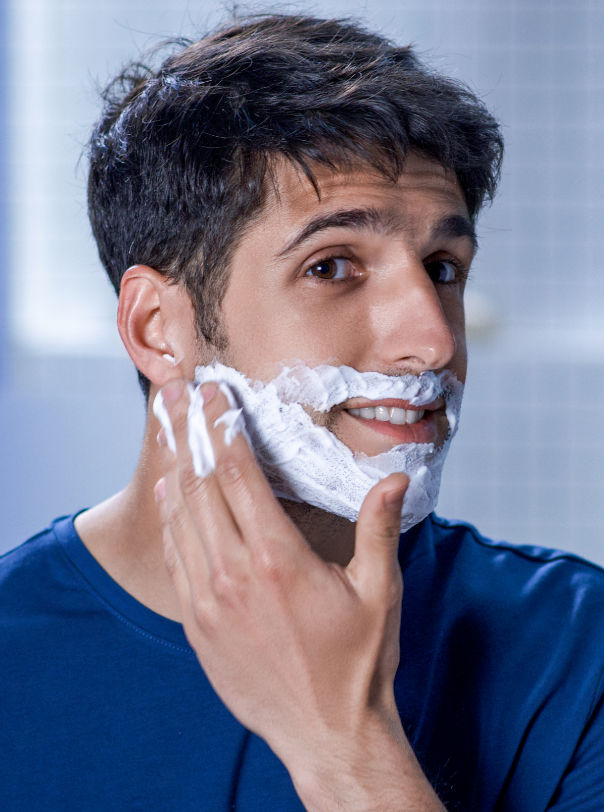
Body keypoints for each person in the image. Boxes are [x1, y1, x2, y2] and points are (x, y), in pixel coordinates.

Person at [2, 13, 604, 811]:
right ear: (157, 327)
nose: (431, 340)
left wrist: (343, 746)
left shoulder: (576, 653)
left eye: (443, 267)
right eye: (333, 265)